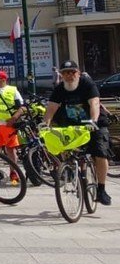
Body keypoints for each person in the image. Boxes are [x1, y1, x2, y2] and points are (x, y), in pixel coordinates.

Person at [44, 60, 111, 206]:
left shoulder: (87, 84)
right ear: (61, 75)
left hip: (94, 124)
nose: (69, 76)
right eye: (65, 73)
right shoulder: (60, 89)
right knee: (61, 143)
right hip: (72, 126)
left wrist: (93, 120)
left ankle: (101, 189)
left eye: (72, 72)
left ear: (78, 73)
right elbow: (51, 108)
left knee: (100, 153)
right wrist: (45, 124)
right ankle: (70, 169)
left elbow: (94, 103)